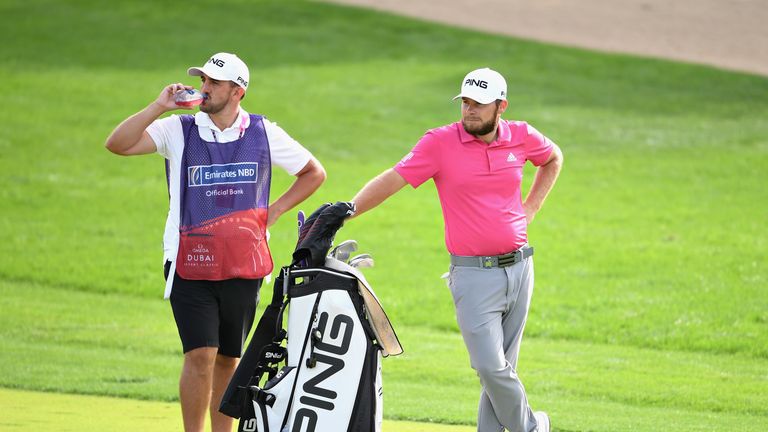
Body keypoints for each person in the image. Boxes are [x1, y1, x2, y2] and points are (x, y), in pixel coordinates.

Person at [104, 52, 326, 432]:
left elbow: (313, 172)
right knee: (201, 353)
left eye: (214, 83)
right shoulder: (179, 129)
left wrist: (273, 212)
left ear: (237, 91)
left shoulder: (263, 132)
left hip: (243, 262)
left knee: (228, 358)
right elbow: (118, 144)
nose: (204, 88)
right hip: (188, 260)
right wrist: (158, 106)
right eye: (203, 80)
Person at [347, 68, 563, 432]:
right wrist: (347, 210)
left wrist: (531, 209)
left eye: (479, 103)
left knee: (500, 372)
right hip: (474, 275)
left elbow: (554, 157)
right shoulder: (440, 143)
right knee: (489, 368)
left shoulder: (521, 136)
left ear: (501, 106)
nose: (469, 110)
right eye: (465, 102)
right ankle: (532, 426)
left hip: (521, 269)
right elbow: (393, 179)